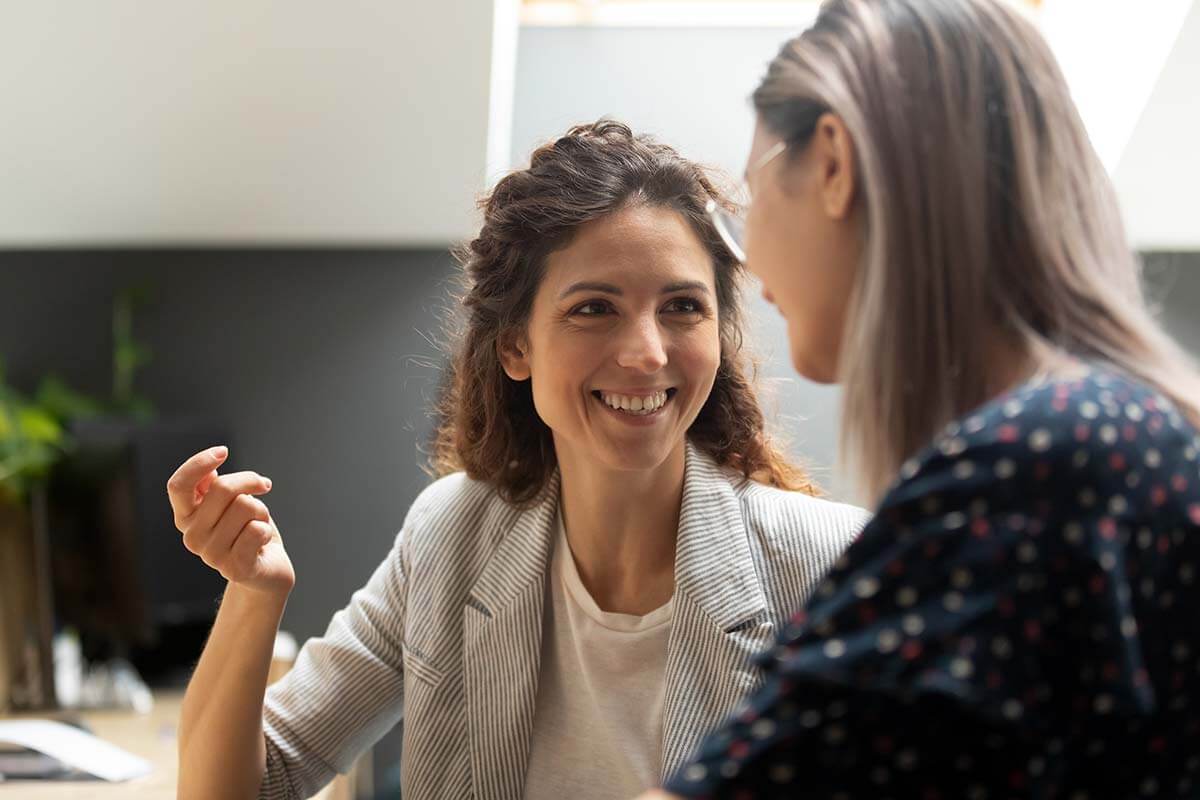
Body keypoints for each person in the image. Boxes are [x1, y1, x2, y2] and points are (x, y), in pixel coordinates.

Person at [165, 120, 869, 800]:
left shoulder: (834, 567)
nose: (648, 352)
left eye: (683, 306)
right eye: (595, 308)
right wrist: (255, 595)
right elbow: (250, 787)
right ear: (515, 348)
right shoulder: (451, 537)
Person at [641, 0, 1200, 797]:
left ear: (833, 163)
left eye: (753, 198)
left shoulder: (1033, 470)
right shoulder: (1111, 441)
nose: (751, 262)